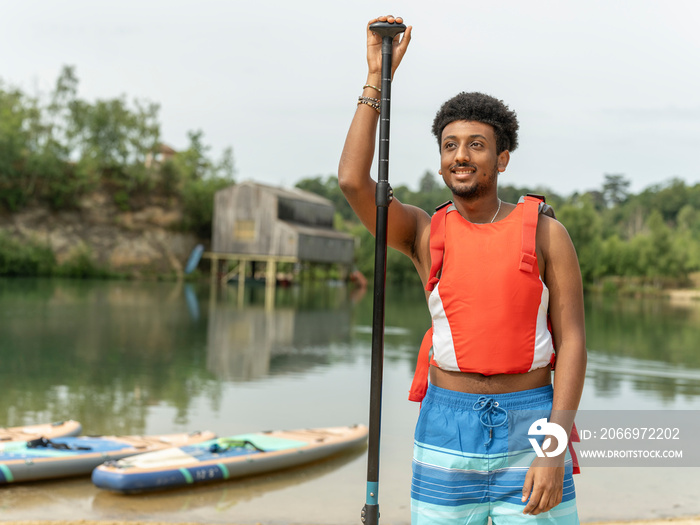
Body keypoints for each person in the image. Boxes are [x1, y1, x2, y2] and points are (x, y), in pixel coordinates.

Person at [338, 15, 587, 524]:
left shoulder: (545, 232)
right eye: (450, 145)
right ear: (440, 163)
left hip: (531, 422)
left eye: (476, 144)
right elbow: (351, 180)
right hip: (446, 430)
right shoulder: (423, 233)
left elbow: (575, 343)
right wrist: (375, 78)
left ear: (502, 159)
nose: (461, 155)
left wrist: (553, 448)